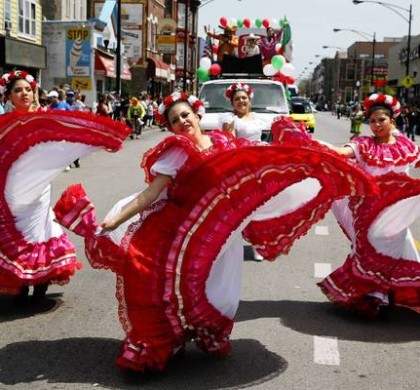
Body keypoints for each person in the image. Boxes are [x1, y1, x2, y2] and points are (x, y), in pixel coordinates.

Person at [0, 70, 130, 304]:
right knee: (12, 231)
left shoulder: (45, 117)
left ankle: (40, 280)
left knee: (37, 230)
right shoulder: (3, 125)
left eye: (27, 89)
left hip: (38, 188)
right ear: (8, 97)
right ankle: (20, 280)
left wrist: (101, 141)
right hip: (10, 189)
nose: (24, 94)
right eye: (17, 91)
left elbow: (70, 136)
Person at [318, 93, 420, 319]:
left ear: (393, 120)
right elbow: (343, 152)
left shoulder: (406, 145)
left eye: (381, 120)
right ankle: (372, 296)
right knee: (370, 249)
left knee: (396, 250)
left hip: (395, 213)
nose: (376, 125)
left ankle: (388, 294)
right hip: (368, 211)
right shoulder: (363, 144)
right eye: (372, 121)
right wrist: (318, 146)